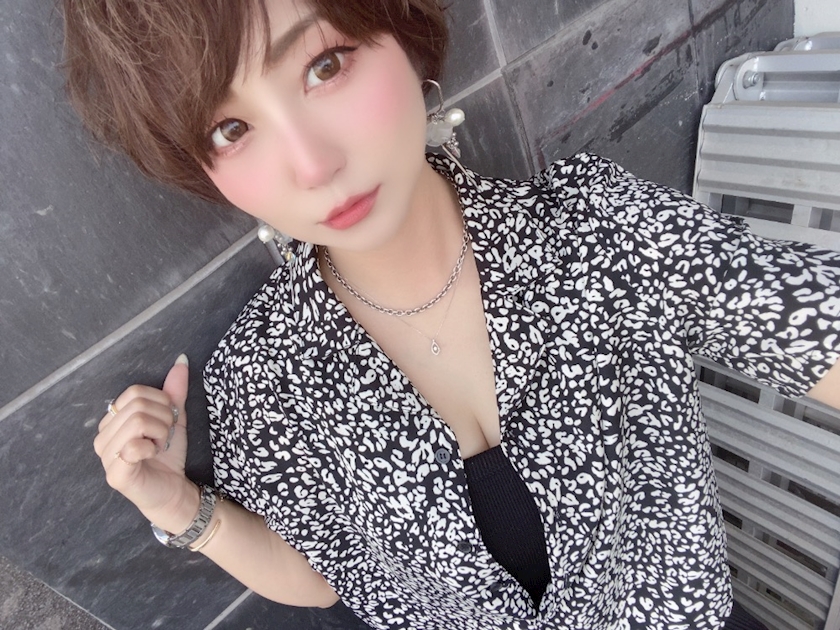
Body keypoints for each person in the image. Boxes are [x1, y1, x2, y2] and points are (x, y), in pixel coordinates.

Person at [64, 0, 840, 628]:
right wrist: (179, 506)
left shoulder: (600, 232)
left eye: (325, 65)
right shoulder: (265, 377)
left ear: (402, 32)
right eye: (231, 129)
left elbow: (812, 325)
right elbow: (324, 574)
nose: (312, 164)